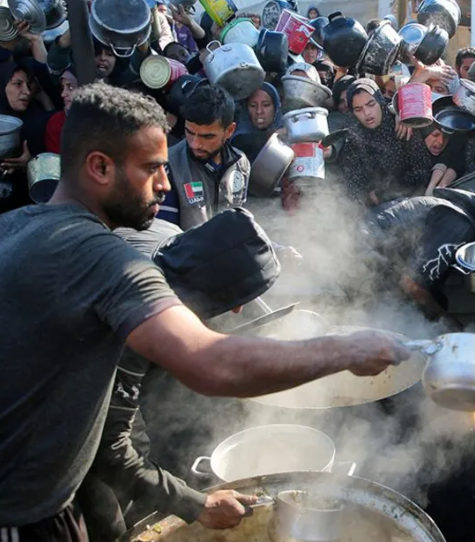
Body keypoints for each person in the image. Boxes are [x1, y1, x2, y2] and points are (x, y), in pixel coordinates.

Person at [0, 83, 409, 540]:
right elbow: (212, 364)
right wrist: (347, 350)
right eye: (152, 169)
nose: (163, 183)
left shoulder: (16, 224)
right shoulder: (106, 259)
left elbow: (109, 444)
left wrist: (193, 503)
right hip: (22, 514)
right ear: (99, 167)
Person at [79, 210, 280, 539]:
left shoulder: (175, 240)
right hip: (46, 423)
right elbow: (112, 450)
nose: (238, 309)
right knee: (109, 514)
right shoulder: (136, 312)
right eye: (233, 300)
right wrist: (196, 504)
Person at [159, 85, 250, 230]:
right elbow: (164, 234)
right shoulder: (168, 166)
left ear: (229, 131)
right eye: (189, 132)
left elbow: (239, 222)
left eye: (207, 137)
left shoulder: (241, 163)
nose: (195, 144)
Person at [339, 78, 430, 205]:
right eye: (358, 109)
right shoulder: (353, 135)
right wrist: (366, 196)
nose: (367, 113)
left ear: (380, 101)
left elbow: (422, 170)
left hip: (411, 201)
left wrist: (385, 194)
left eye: (371, 104)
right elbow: (352, 181)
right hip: (372, 208)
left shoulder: (401, 126)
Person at [0, 62, 54, 211]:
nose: (27, 92)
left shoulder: (39, 121)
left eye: (29, 85)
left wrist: (30, 165)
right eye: (18, 84)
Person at [44, 68, 77, 154]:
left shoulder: (104, 120)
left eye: (70, 87)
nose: (63, 94)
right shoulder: (57, 122)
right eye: (63, 87)